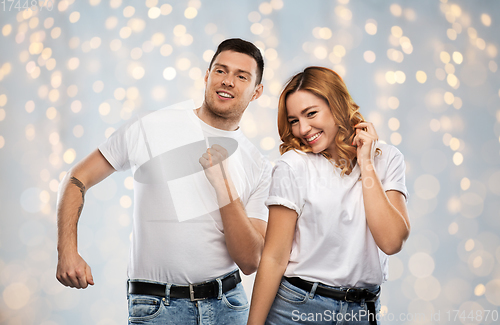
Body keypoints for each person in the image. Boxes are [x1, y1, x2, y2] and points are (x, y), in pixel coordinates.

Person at [56, 38, 272, 325]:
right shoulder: (150, 126)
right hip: (157, 308)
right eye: (221, 71)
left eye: (241, 76)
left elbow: (250, 261)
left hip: (228, 307)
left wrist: (223, 186)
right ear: (207, 76)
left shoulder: (258, 164)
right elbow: (77, 178)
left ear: (256, 92)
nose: (228, 81)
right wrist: (67, 250)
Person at [247, 66, 410, 325]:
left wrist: (365, 162)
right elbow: (274, 257)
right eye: (294, 120)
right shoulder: (293, 165)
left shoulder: (387, 159)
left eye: (311, 114)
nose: (303, 128)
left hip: (361, 311)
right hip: (298, 309)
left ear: (337, 105)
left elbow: (391, 242)